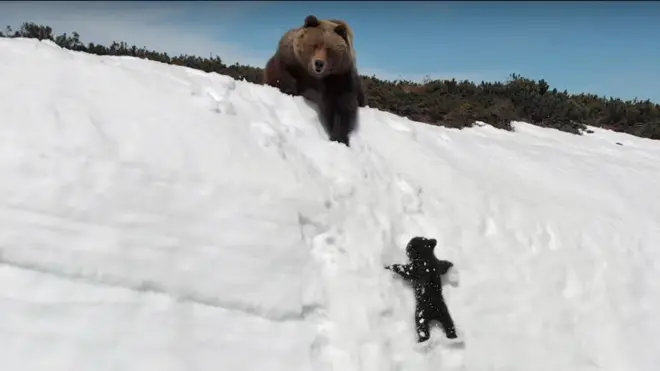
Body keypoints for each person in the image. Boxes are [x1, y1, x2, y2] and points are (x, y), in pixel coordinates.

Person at [385, 236, 458, 343]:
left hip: (424, 305)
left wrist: (392, 267)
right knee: (446, 319)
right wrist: (449, 265)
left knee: (421, 321)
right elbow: (445, 266)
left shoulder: (415, 268)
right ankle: (451, 334)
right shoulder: (435, 264)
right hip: (438, 303)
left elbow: (404, 270)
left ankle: (423, 337)